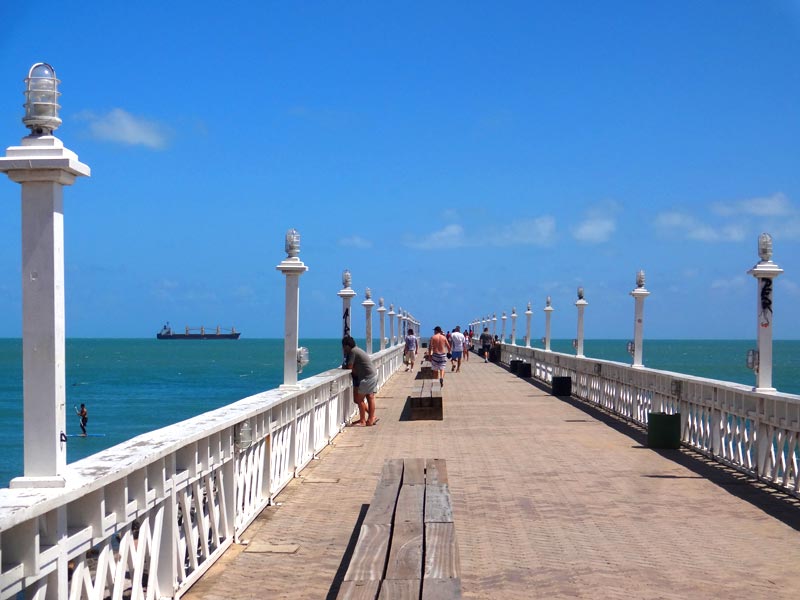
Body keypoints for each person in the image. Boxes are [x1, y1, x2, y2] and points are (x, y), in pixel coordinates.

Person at [342, 336, 379, 426]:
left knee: (359, 399)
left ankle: (363, 420)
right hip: (372, 374)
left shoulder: (352, 352)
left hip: (366, 377)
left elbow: (349, 366)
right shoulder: (357, 349)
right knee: (370, 397)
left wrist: (345, 365)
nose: (343, 348)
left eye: (343, 346)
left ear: (347, 346)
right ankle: (371, 418)